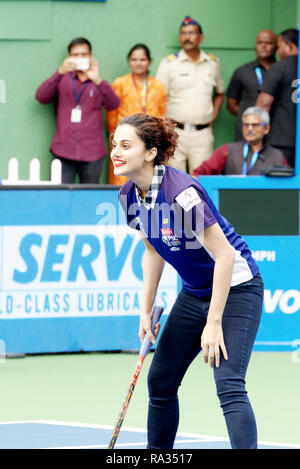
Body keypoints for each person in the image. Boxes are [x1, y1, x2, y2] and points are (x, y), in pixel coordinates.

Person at [111, 113, 264, 449]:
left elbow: (225, 257)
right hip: (195, 293)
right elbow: (152, 249)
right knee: (161, 380)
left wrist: (214, 322)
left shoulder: (181, 193)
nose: (116, 152)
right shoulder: (128, 196)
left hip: (237, 290)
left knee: (229, 385)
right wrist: (144, 310)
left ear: (150, 153)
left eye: (125, 145)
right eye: (114, 145)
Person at [36, 37, 120, 183]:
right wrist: (60, 72)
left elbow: (113, 104)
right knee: (59, 197)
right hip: (63, 149)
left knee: (88, 199)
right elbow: (41, 97)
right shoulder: (61, 79)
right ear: (68, 57)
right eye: (75, 55)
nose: (80, 58)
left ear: (91, 56)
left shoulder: (98, 83)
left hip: (92, 153)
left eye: (84, 54)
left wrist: (98, 80)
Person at [156, 16, 225, 175]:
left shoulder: (212, 63)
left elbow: (220, 93)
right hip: (175, 133)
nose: (187, 37)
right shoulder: (169, 64)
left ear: (201, 37)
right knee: (173, 179)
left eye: (192, 33)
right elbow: (159, 97)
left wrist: (211, 117)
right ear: (180, 37)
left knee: (202, 179)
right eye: (184, 33)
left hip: (202, 134)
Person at [106, 44, 166, 185]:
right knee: (122, 178)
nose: (138, 63)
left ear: (149, 61)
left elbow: (162, 114)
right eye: (134, 60)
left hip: (149, 141)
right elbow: (111, 116)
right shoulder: (120, 83)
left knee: (150, 177)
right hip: (125, 141)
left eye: (142, 59)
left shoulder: (159, 86)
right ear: (129, 61)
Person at [193, 106, 287, 176]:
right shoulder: (226, 151)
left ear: (266, 128)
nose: (249, 129)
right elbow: (198, 175)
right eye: (246, 125)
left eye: (255, 125)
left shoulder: (277, 156)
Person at [256, 29, 299, 168]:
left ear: (290, 46)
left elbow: (263, 104)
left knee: (280, 185)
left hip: (281, 141)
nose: (277, 52)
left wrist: (256, 132)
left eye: (279, 47)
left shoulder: (280, 67)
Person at [226, 30, 277, 141]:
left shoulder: (282, 70)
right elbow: (231, 104)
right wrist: (250, 117)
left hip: (277, 130)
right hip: (249, 133)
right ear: (255, 45)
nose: (264, 46)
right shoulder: (242, 71)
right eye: (260, 43)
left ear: (277, 46)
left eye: (268, 43)